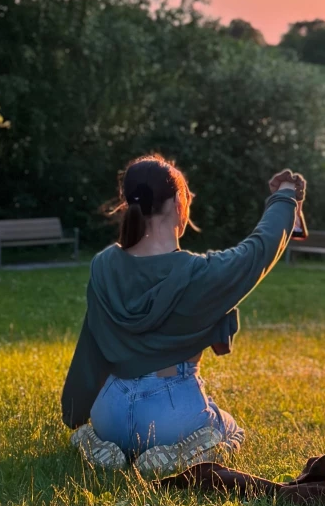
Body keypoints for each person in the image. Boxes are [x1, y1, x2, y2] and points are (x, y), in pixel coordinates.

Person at [61, 153, 305, 477]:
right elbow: (261, 248)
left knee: (111, 425)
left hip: (109, 411)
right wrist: (286, 195)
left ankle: (97, 442)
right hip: (169, 416)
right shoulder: (199, 274)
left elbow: (90, 345)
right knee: (229, 428)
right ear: (178, 202)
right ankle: (181, 452)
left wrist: (76, 411)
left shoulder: (104, 264)